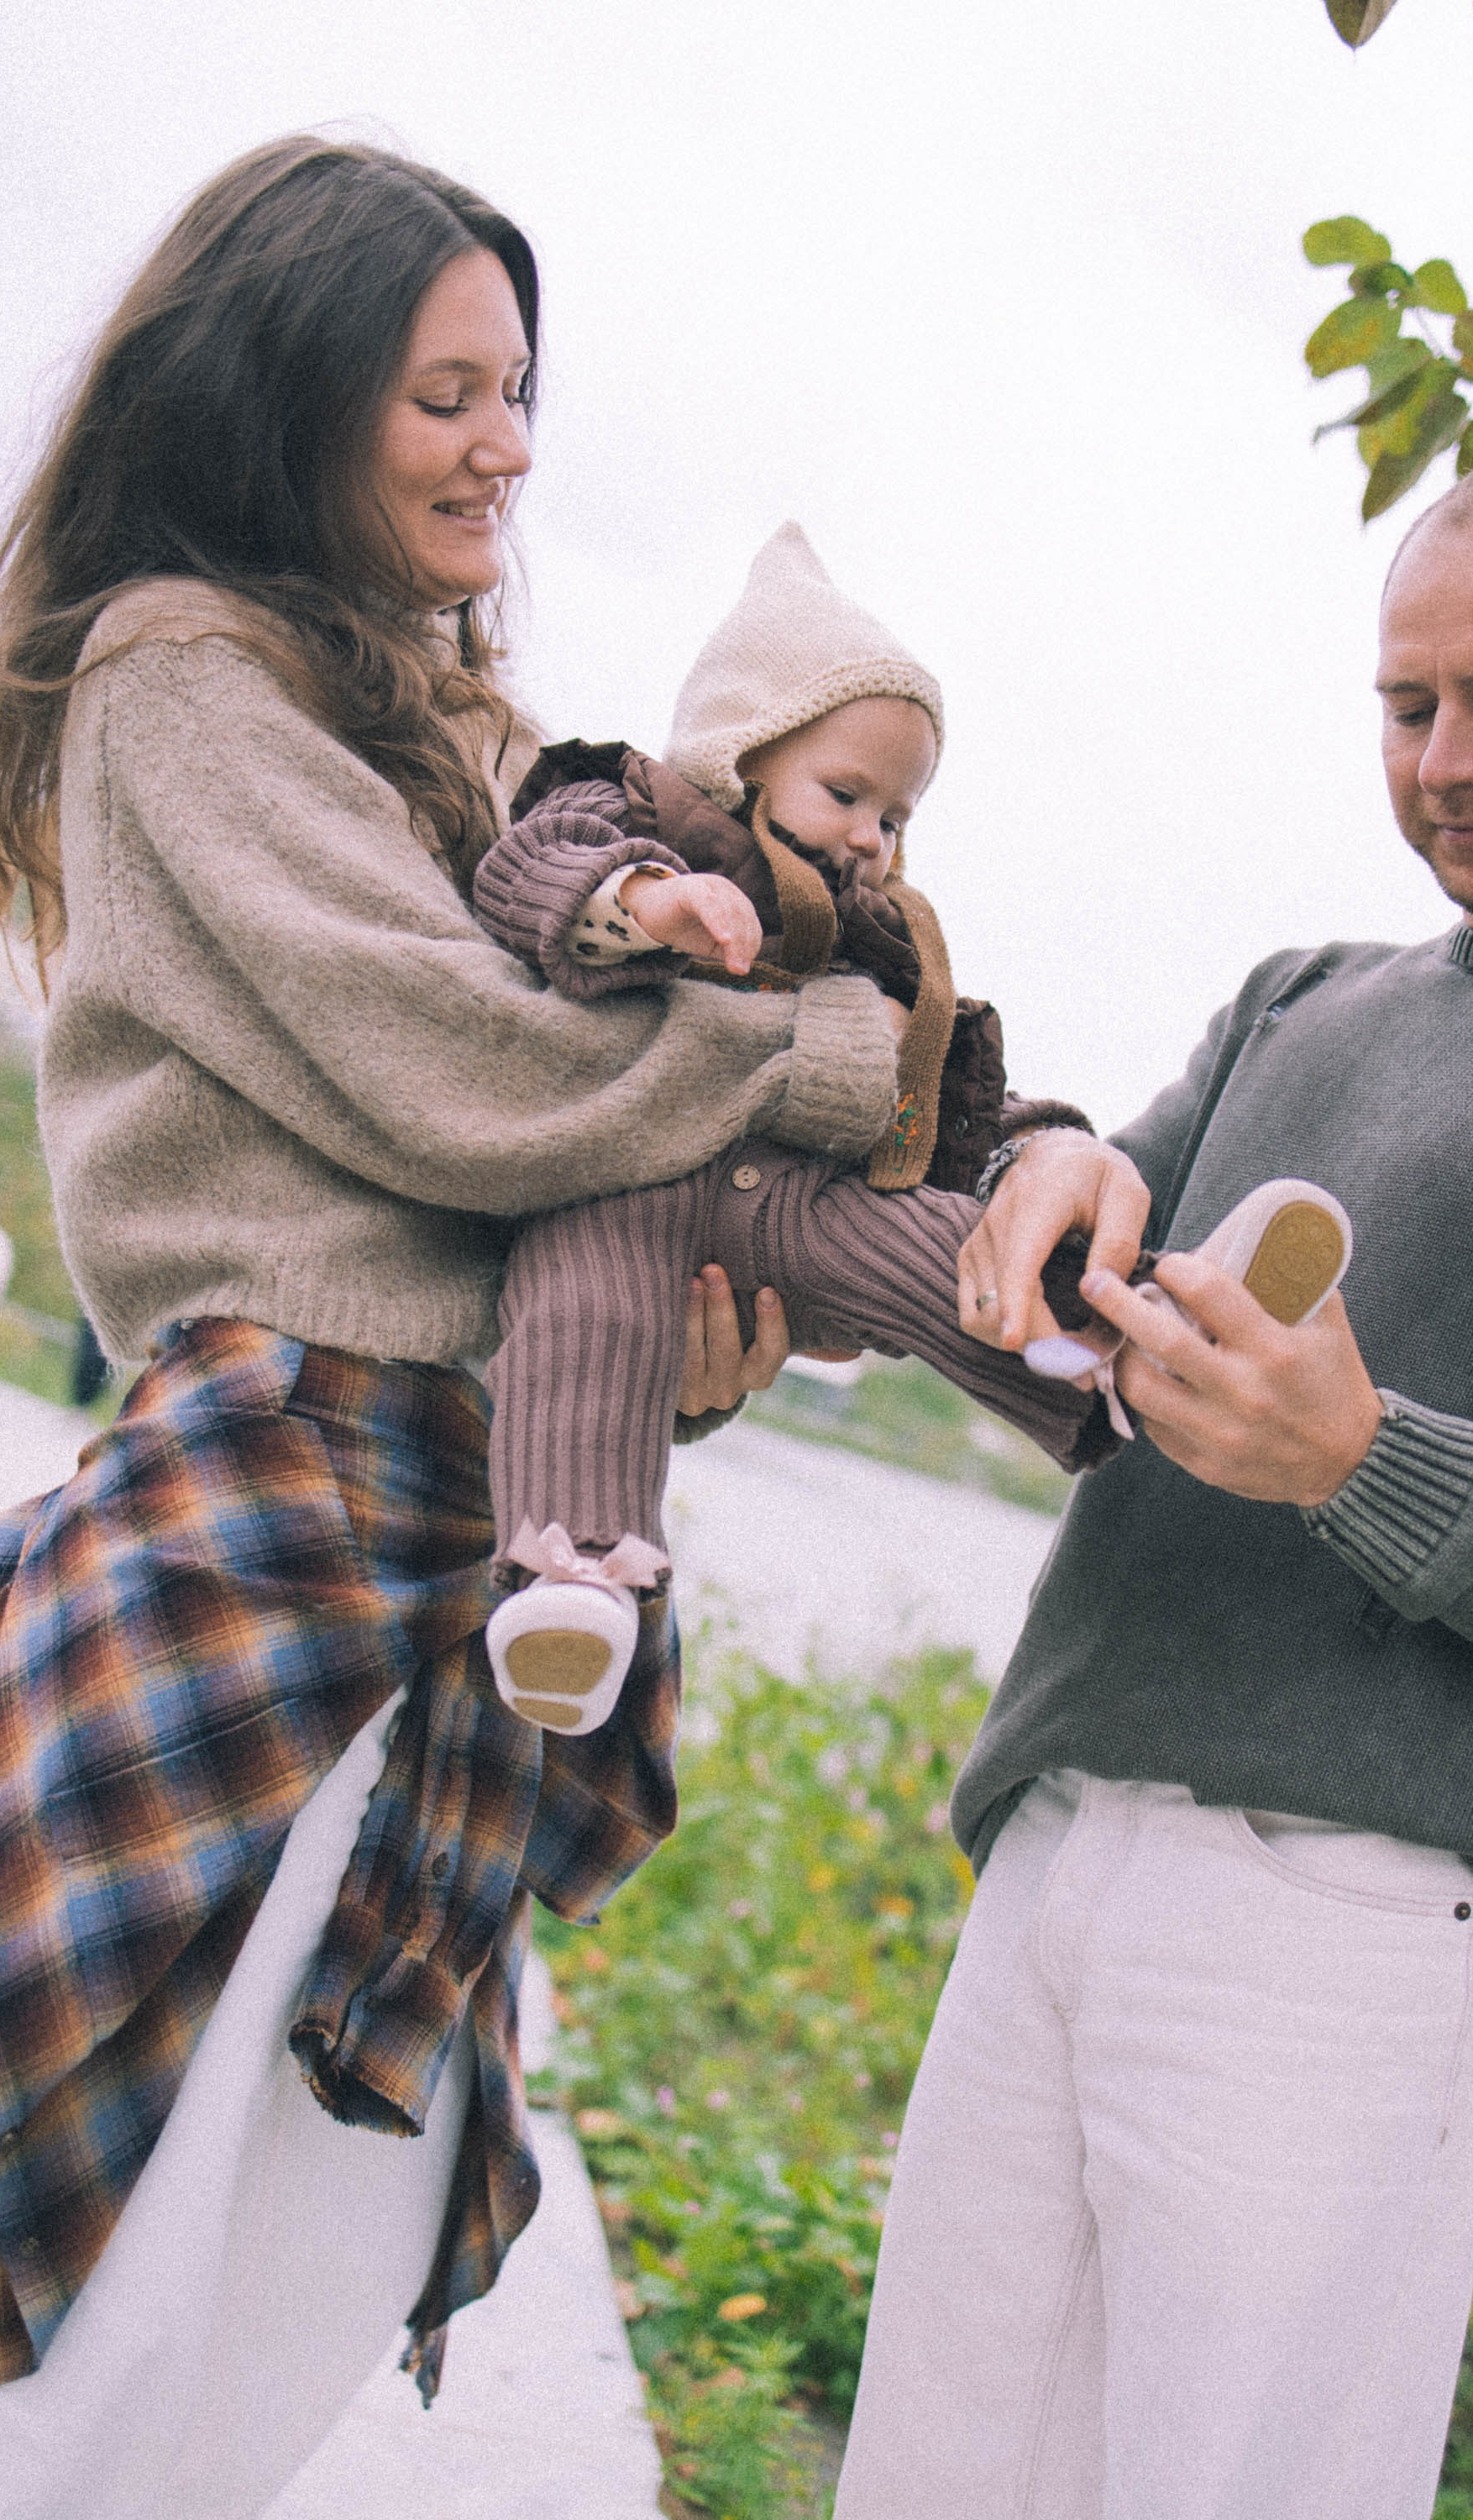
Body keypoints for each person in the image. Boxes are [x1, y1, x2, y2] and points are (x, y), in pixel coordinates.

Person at [0, 136, 906, 2519]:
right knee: (115, 2209)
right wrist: (829, 1074)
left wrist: (732, 1295)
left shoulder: (464, 726)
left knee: (278, 2236)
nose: (508, 445)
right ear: (294, 401)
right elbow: (455, 1074)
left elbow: (600, 1135)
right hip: (275, 1500)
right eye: (443, 397)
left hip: (484, 1519)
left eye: (520, 391)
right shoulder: (180, 669)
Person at [834, 449, 1473, 2520]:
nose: (1444, 759)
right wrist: (1050, 1179)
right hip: (1058, 1857)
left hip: (1362, 1933)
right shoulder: (1297, 1002)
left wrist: (1367, 1466)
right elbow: (1077, 1299)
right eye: (1405, 706)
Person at [469, 522, 1114, 1725]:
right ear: (742, 752)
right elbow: (525, 873)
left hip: (804, 1211)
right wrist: (647, 902)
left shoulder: (878, 933)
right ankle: (571, 1583)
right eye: (847, 792)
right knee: (583, 1325)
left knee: (949, 1257)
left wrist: (1044, 1143)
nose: (872, 835)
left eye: (898, 814)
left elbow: (949, 1108)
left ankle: (1117, 1350)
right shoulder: (634, 809)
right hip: (623, 1186)